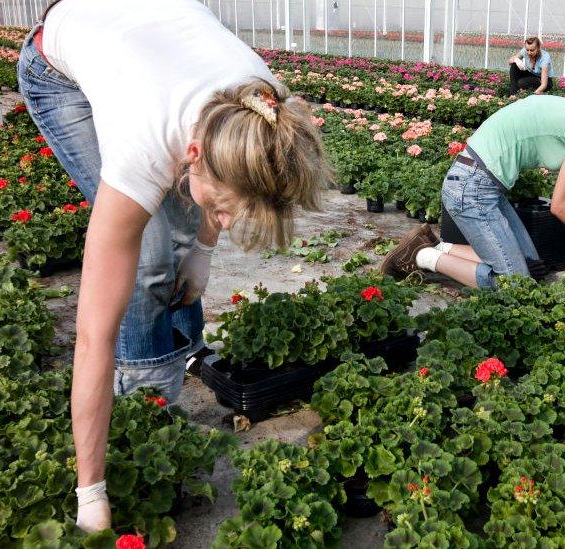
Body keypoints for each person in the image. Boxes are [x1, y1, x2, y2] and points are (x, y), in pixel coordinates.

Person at [16, 0, 330, 532]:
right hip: (58, 70)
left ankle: (176, 357)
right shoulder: (142, 142)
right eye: (226, 211)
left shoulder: (262, 110)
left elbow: (215, 195)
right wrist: (89, 491)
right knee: (152, 250)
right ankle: (146, 402)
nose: (226, 223)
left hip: (148, 44)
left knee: (184, 233)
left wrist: (203, 250)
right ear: (192, 151)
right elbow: (92, 336)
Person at [379, 75, 565, 288]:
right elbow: (562, 206)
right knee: (512, 284)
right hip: (472, 188)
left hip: (483, 185)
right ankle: (422, 256)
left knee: (531, 265)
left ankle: (439, 245)